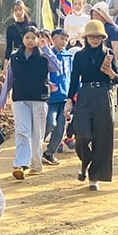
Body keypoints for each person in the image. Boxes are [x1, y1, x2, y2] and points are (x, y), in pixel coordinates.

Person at [65, 19, 118, 191]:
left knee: (102, 137)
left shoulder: (108, 53)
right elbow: (74, 79)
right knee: (81, 133)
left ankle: (94, 177)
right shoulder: (80, 56)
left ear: (103, 37)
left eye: (98, 36)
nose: (95, 39)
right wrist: (68, 100)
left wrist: (110, 73)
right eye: (91, 36)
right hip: (85, 95)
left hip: (104, 95)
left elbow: (117, 80)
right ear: (86, 38)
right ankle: (85, 163)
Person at [0, 26, 61, 179]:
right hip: (20, 98)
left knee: (37, 133)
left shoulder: (43, 56)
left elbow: (56, 67)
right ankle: (20, 163)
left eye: (33, 37)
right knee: (22, 130)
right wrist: (2, 101)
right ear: (22, 39)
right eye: (27, 37)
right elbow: (8, 80)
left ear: (38, 39)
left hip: (39, 98)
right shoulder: (15, 57)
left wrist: (46, 48)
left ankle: (36, 164)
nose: (30, 40)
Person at [43, 28, 74, 164]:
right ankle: (34, 147)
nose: (64, 42)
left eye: (66, 39)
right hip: (50, 98)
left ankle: (49, 153)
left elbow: (73, 77)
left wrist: (73, 95)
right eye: (61, 38)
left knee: (60, 128)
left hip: (64, 97)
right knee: (50, 123)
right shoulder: (47, 55)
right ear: (53, 38)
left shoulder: (68, 57)